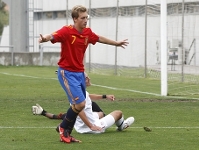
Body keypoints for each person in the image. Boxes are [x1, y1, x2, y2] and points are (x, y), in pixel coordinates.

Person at [38, 5, 129, 143]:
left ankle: (66, 132)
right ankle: (63, 128)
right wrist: (45, 38)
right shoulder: (66, 31)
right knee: (80, 104)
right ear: (75, 19)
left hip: (79, 73)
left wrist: (116, 43)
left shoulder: (87, 32)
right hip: (67, 73)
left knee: (78, 105)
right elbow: (53, 35)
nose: (86, 20)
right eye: (82, 18)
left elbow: (99, 38)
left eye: (87, 17)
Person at [32, 73, 134, 134]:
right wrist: (91, 126)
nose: (88, 78)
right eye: (86, 78)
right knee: (118, 113)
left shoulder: (79, 91)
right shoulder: (78, 94)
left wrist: (105, 96)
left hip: (81, 126)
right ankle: (121, 126)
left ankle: (63, 127)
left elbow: (89, 96)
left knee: (100, 114)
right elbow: (80, 111)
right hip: (92, 128)